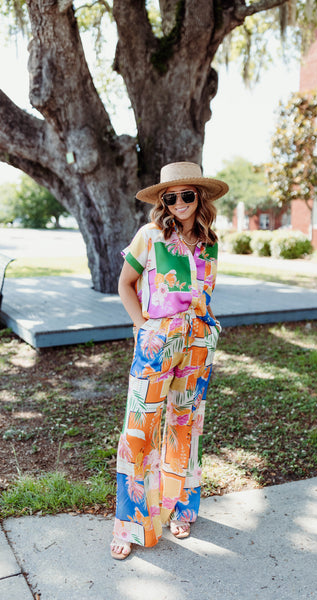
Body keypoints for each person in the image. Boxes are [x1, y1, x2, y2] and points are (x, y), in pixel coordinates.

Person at [110, 161, 228, 560]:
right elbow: (125, 283)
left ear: (200, 197)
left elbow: (204, 293)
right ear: (163, 200)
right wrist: (142, 326)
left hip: (197, 345)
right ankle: (129, 525)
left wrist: (207, 330)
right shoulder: (150, 236)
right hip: (156, 342)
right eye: (170, 196)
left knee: (185, 427)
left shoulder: (210, 241)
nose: (178, 202)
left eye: (186, 195)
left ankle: (181, 506)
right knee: (138, 431)